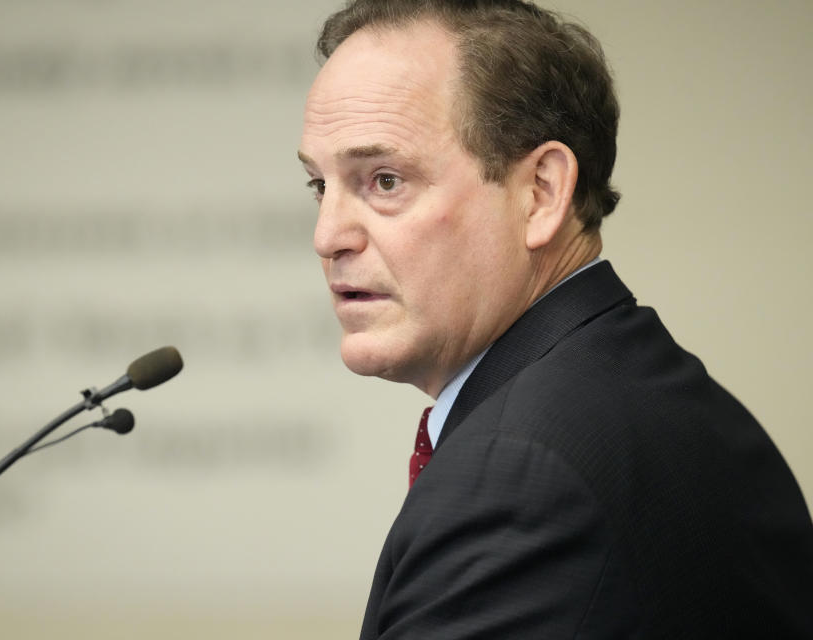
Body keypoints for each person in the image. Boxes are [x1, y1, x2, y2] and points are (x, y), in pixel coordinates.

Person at [297, 1, 813, 638]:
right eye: (321, 186)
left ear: (540, 193)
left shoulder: (518, 480)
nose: (328, 236)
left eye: (383, 180)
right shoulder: (652, 391)